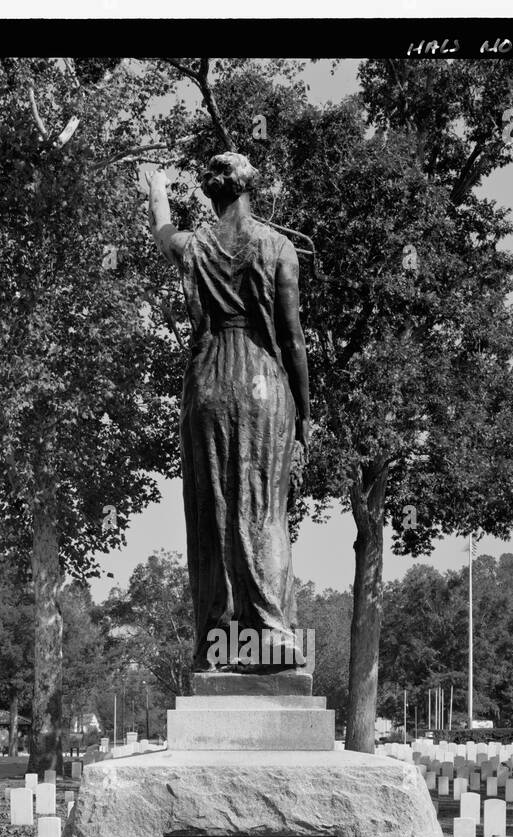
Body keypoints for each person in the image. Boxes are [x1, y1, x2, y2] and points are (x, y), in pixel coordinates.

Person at [148, 152, 311, 673]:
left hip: (209, 384)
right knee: (264, 512)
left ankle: (217, 640)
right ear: (249, 189)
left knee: (213, 514)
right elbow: (292, 340)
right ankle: (272, 634)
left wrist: (156, 187)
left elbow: (163, 233)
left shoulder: (194, 246)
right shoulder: (278, 246)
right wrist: (305, 416)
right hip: (264, 382)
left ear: (212, 194)